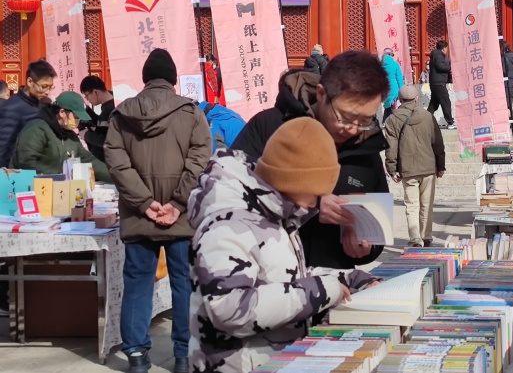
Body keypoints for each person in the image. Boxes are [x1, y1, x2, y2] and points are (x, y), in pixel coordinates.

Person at [188, 118, 380, 373]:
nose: (316, 202)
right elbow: (229, 310)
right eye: (315, 192)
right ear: (292, 181)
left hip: (273, 361)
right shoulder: (227, 223)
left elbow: (285, 279)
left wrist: (348, 277)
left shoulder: (276, 216)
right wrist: (320, 291)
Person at [231, 51, 390, 272]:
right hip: (266, 283)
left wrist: (367, 247)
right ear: (322, 93)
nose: (354, 129)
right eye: (345, 117)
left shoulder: (366, 146)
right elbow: (232, 194)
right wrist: (309, 205)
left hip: (332, 286)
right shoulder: (270, 127)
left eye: (365, 120)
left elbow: (379, 222)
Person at [104, 48, 212, 373]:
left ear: (145, 78)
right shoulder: (191, 112)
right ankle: (182, 355)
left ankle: (136, 355)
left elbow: (116, 161)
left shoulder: (121, 114)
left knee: (138, 282)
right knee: (183, 282)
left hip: (139, 215)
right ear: (174, 79)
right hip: (180, 216)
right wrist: (177, 203)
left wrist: (143, 202)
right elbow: (201, 159)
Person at [384, 85, 445, 248]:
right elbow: (438, 143)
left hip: (408, 168)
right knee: (427, 204)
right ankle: (426, 236)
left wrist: (392, 169)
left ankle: (415, 239)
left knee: (411, 205)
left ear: (400, 100)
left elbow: (391, 147)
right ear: (416, 99)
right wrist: (441, 165)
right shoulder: (427, 116)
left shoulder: (392, 119)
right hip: (428, 167)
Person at [11, 91, 110, 181]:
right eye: (76, 116)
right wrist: (60, 176)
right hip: (30, 189)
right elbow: (26, 162)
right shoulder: (37, 129)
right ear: (62, 112)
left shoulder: (70, 136)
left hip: (58, 191)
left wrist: (115, 177)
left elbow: (88, 160)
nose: (78, 121)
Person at [0, 59, 57, 168]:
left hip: (39, 168)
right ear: (30, 82)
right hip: (17, 173)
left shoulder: (43, 105)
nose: (47, 92)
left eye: (50, 87)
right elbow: (3, 147)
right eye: (44, 86)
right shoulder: (13, 107)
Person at [80, 75, 115, 163]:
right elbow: (101, 125)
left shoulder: (109, 110)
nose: (87, 99)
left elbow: (104, 140)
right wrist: (88, 111)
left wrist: (85, 135)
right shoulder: (110, 105)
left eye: (87, 95)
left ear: (95, 92)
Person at [427, 41, 455, 129]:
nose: (447, 50)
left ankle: (425, 121)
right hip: (439, 83)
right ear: (444, 48)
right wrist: (450, 67)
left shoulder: (435, 55)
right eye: (447, 48)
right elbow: (440, 67)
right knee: (445, 102)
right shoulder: (439, 56)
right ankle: (450, 122)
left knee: (434, 104)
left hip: (435, 83)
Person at [381, 48, 404, 123]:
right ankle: (394, 124)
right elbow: (399, 79)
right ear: (390, 55)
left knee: (387, 107)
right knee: (393, 108)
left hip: (385, 89)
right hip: (394, 89)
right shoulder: (395, 64)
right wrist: (402, 90)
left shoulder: (381, 66)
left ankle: (385, 122)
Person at [500, 42, 513, 121]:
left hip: (506, 80)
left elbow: (503, 70)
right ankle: (511, 116)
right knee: (510, 98)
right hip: (512, 80)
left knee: (506, 99)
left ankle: (510, 116)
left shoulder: (504, 57)